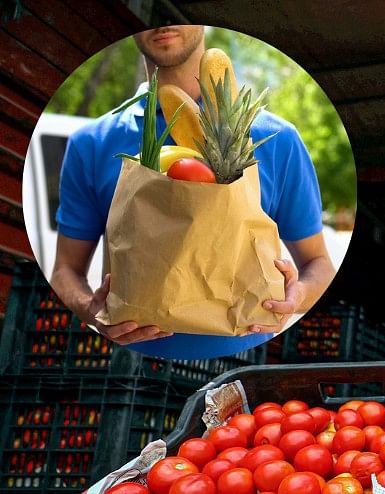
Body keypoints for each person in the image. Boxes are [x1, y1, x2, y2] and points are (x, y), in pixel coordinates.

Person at [50, 25, 335, 360]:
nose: (164, 23)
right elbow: (64, 270)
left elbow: (319, 264)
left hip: (245, 355)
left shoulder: (277, 139)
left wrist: (296, 296)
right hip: (128, 361)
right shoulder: (92, 142)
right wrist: (90, 310)